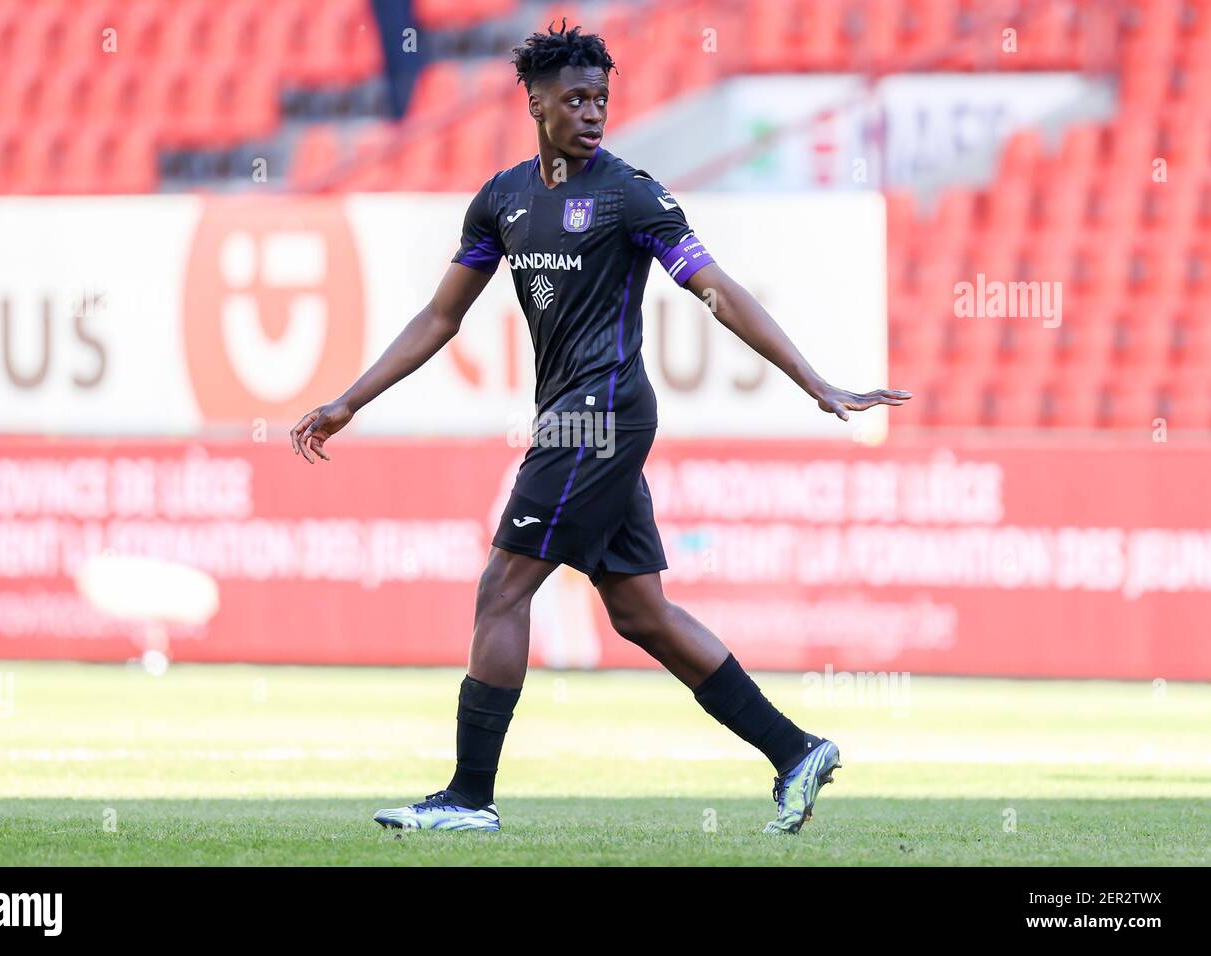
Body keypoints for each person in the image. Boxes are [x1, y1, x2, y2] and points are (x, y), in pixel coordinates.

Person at [290, 20, 911, 835]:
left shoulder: (631, 195)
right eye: (576, 98)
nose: (592, 112)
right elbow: (441, 316)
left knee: (502, 588)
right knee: (639, 611)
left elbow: (716, 289)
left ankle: (470, 799)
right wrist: (349, 401)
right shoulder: (503, 199)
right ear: (536, 103)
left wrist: (814, 382)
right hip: (577, 419)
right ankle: (797, 751)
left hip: (601, 416)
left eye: (602, 99)